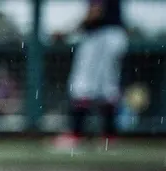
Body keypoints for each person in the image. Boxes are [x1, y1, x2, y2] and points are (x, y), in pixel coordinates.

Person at [53, 0, 128, 151]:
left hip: (101, 36)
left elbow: (96, 10)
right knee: (107, 88)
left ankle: (76, 134)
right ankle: (109, 137)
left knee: (83, 85)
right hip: (113, 35)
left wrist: (67, 32)